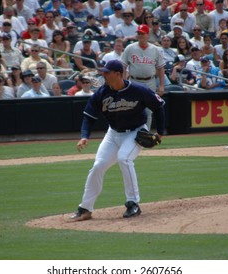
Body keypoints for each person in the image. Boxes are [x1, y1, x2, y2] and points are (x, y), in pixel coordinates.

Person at [69, 60, 165, 222]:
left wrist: (161, 132)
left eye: (107, 72)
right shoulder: (102, 93)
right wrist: (84, 135)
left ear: (118, 74)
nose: (103, 74)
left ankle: (133, 203)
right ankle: (85, 208)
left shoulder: (138, 90)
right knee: (98, 166)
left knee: (124, 158)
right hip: (113, 134)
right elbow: (88, 117)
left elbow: (158, 107)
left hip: (135, 132)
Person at [121, 24, 165, 129]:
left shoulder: (155, 49)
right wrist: (122, 83)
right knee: (132, 109)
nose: (140, 35)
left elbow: (160, 68)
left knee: (149, 111)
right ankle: (133, 133)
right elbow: (123, 67)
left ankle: (146, 133)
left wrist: (162, 86)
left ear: (147, 35)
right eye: (139, 33)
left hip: (150, 82)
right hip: (134, 81)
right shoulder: (130, 48)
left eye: (142, 33)